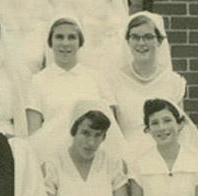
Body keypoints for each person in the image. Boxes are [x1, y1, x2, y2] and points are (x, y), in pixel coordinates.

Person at [27, 14, 125, 164]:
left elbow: (110, 128)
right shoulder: (37, 81)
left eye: (72, 37)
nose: (65, 43)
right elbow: (34, 134)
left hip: (92, 158)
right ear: (50, 42)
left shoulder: (97, 78)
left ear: (80, 42)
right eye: (59, 37)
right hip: (52, 159)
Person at [109, 11, 186, 162]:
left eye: (148, 37)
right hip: (127, 162)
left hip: (163, 163)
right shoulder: (114, 81)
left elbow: (180, 132)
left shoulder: (173, 82)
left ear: (159, 41)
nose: (141, 43)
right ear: (128, 41)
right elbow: (112, 133)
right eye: (135, 37)